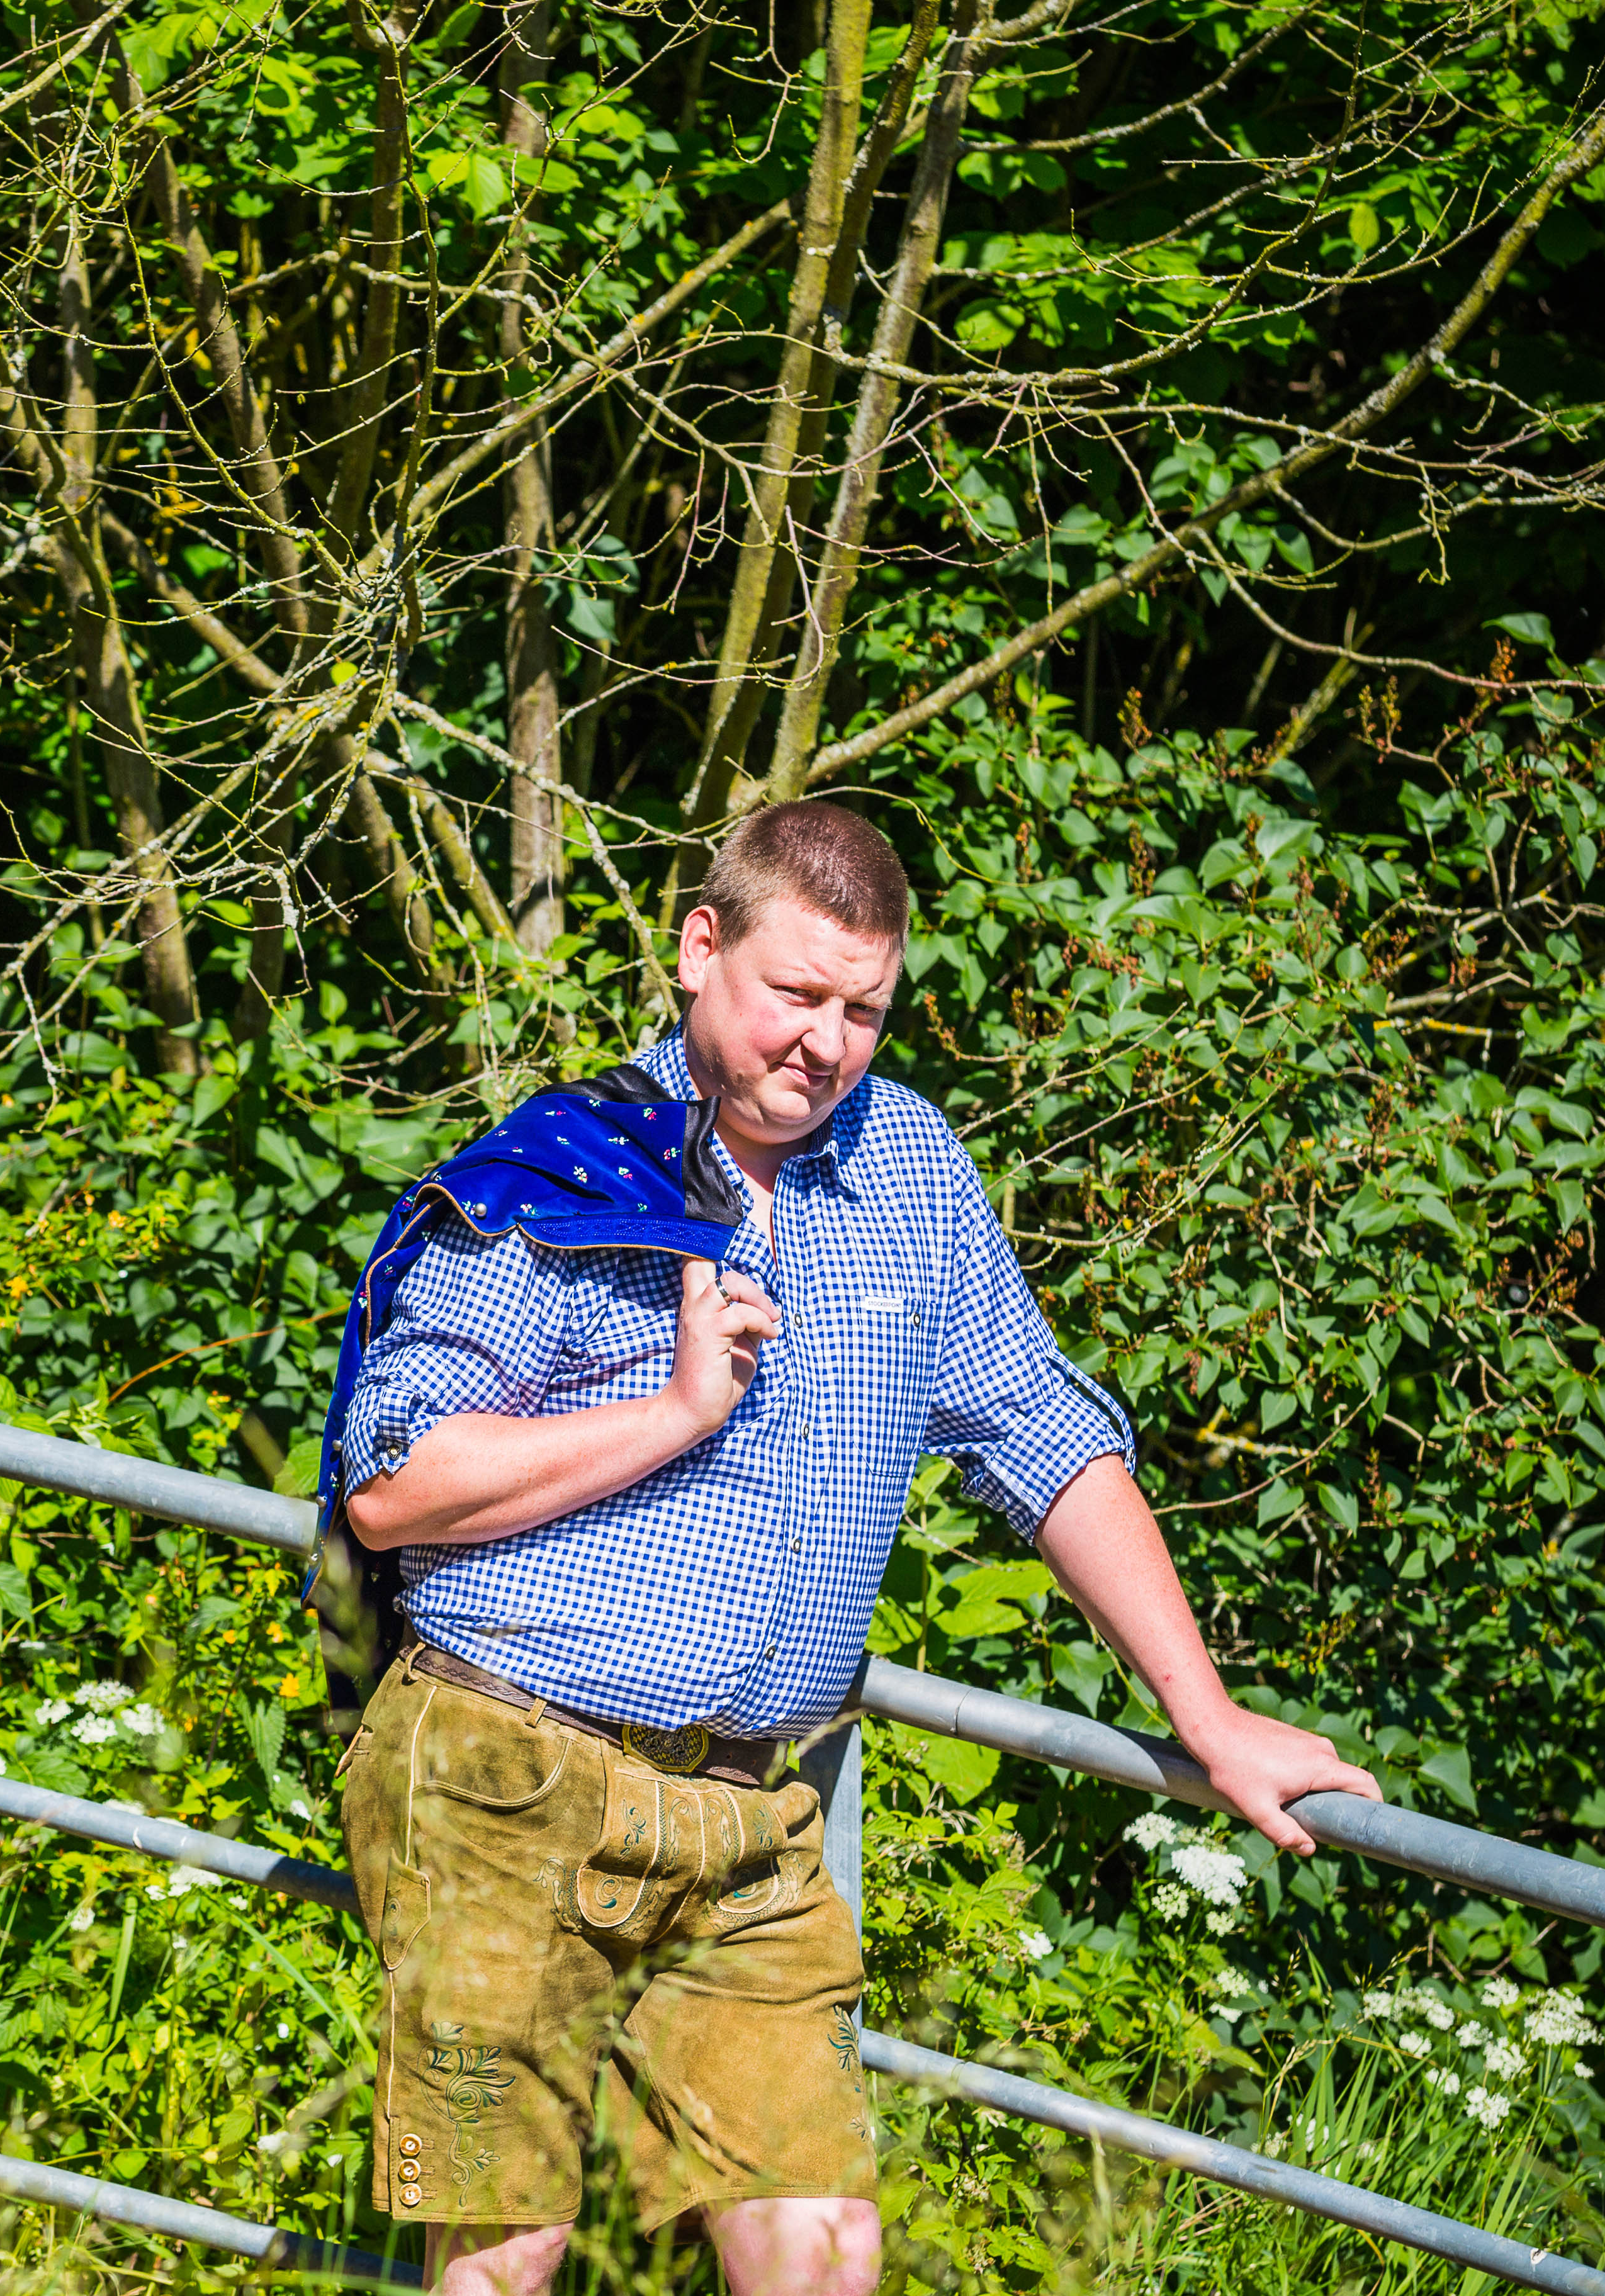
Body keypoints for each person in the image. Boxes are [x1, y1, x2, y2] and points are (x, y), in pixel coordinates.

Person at [320, 799, 1382, 2295]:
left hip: (755, 1820)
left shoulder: (908, 1170)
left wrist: (1206, 1719)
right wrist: (681, 1410)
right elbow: (397, 1486)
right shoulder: (561, 1173)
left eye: (863, 1010)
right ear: (702, 951)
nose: (825, 1043)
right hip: (508, 1779)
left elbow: (1041, 1434)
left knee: (822, 2258)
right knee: (507, 2252)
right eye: (794, 995)